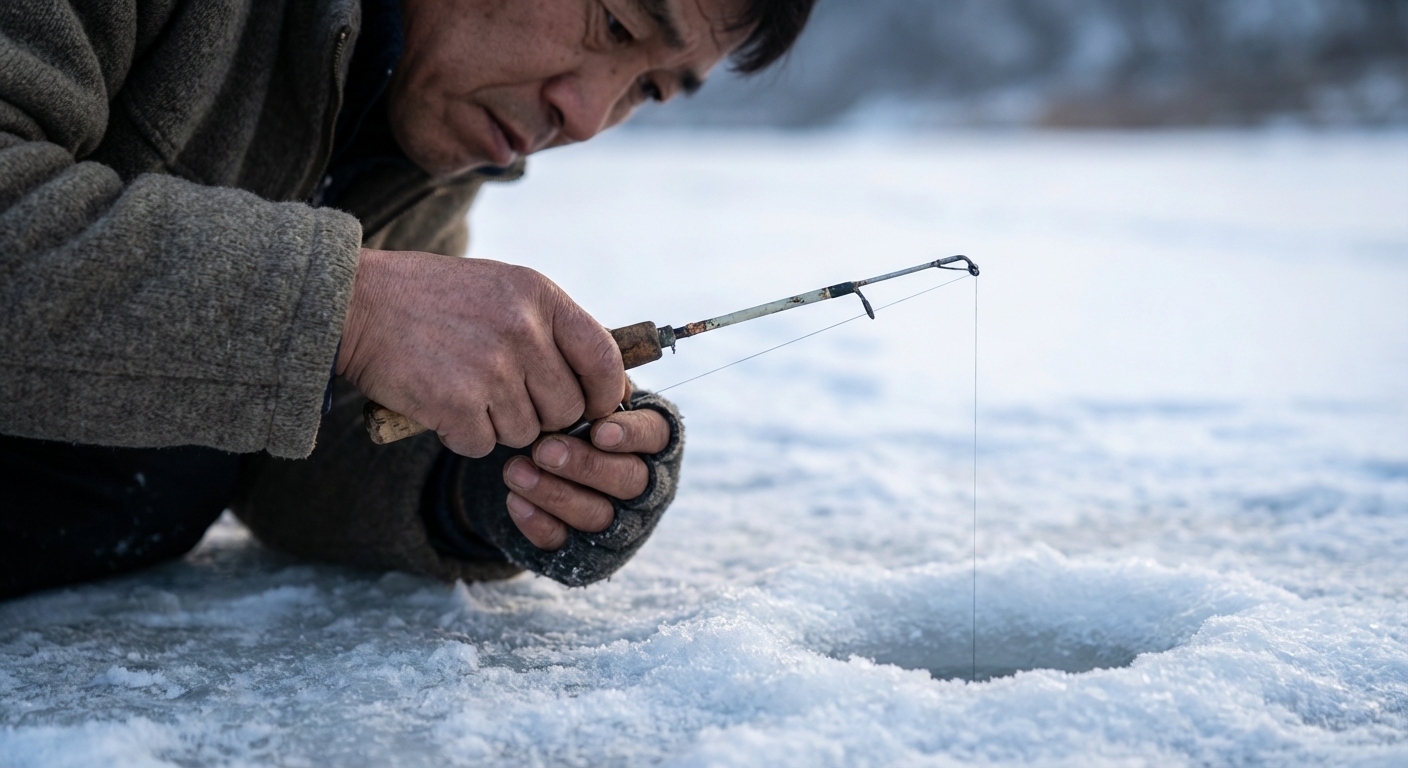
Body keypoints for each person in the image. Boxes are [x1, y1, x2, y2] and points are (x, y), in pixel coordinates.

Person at [0, 0, 816, 599]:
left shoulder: (427, 151)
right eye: (614, 24)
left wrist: (494, 485)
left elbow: (295, 446)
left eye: (648, 91)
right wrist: (350, 307)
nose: (587, 114)